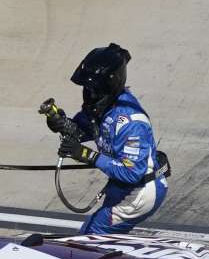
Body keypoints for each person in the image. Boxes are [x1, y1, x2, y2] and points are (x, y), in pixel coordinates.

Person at [42, 43, 170, 234]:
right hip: (121, 187)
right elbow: (80, 130)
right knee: (88, 236)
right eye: (87, 88)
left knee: (90, 238)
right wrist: (61, 124)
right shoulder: (101, 107)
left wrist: (88, 155)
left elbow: (132, 173)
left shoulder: (131, 123)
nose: (89, 93)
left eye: (94, 89)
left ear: (109, 86)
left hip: (140, 192)